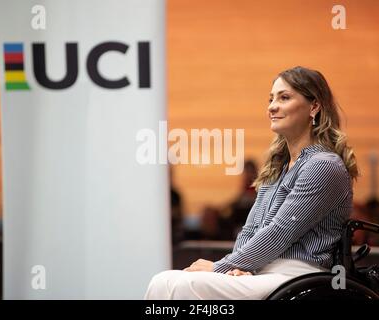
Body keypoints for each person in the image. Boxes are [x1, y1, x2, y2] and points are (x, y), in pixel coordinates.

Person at [144, 66, 358, 300]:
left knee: (181, 285)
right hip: (261, 271)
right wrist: (235, 268)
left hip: (297, 275)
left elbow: (279, 233)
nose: (272, 106)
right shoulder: (277, 166)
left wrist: (221, 267)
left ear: (314, 106)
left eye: (284, 97)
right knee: (162, 280)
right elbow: (250, 230)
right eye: (271, 99)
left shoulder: (323, 165)